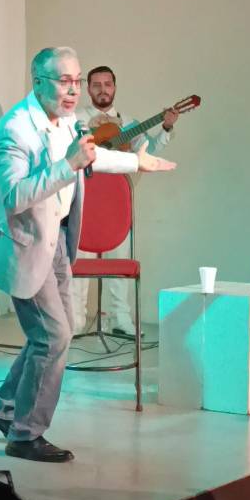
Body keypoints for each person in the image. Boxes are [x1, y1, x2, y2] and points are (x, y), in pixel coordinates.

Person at [0, 47, 176, 462]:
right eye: (63, 81)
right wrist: (68, 165)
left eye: (76, 80)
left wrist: (136, 163)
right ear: (38, 82)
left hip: (57, 240)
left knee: (57, 332)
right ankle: (25, 434)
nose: (73, 90)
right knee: (53, 336)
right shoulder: (14, 128)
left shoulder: (66, 120)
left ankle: (3, 405)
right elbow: (15, 196)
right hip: (25, 245)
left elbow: (91, 156)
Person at [73, 65, 180, 337]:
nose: (102, 89)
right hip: (83, 197)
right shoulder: (76, 118)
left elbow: (148, 150)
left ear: (115, 87)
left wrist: (166, 126)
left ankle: (119, 319)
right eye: (96, 85)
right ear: (88, 89)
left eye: (107, 84)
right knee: (79, 261)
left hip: (116, 200)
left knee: (120, 259)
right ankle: (74, 320)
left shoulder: (129, 123)